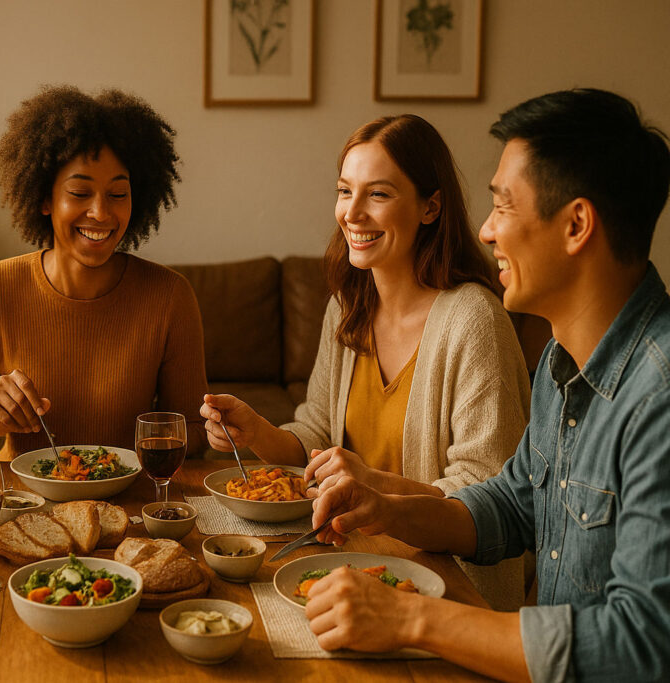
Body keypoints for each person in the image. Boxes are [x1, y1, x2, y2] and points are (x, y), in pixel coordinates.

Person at [305, 89, 670, 682]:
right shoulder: (562, 360)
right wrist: (387, 507)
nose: (486, 230)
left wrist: (411, 619)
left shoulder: (660, 395)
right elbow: (509, 505)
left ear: (576, 225)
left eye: (503, 206)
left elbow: (638, 645)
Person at [200, 114, 530, 608]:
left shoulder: (474, 321)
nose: (352, 213)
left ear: (430, 207)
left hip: (448, 591)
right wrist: (258, 433)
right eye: (344, 191)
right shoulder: (347, 307)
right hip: (351, 567)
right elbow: (318, 432)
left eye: (378, 194)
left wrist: (373, 485)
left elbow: (485, 498)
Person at [0, 86, 207, 464]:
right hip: (21, 497)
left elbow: (193, 431)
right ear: (44, 198)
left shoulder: (169, 296)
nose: (101, 213)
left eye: (118, 194)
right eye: (80, 193)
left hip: (129, 495)